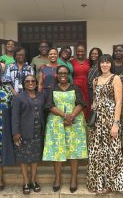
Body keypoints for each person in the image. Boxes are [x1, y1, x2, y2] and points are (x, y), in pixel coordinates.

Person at [42, 65, 88, 193]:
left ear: (69, 75)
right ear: (57, 75)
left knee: (74, 151)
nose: (63, 75)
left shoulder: (75, 88)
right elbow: (49, 105)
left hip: (75, 122)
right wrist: (65, 116)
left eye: (65, 73)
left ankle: (74, 178)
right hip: (56, 123)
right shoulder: (52, 88)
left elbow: (80, 103)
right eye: (60, 73)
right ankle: (57, 178)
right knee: (58, 150)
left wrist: (71, 116)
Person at [87, 54, 123, 194]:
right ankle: (97, 182)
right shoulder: (95, 80)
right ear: (99, 65)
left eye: (107, 62)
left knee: (111, 151)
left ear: (111, 64)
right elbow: (95, 101)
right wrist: (94, 109)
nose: (104, 65)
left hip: (110, 119)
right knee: (97, 151)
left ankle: (110, 184)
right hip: (98, 120)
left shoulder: (116, 78)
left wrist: (116, 123)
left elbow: (119, 102)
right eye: (102, 62)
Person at [12, 75, 45, 194]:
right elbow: (14, 116)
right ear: (23, 83)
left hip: (38, 131)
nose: (30, 83)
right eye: (27, 81)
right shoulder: (18, 97)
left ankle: (33, 180)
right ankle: (26, 182)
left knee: (35, 158)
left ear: (36, 83)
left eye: (33, 81)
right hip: (24, 132)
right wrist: (15, 132)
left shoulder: (41, 95)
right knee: (24, 158)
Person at [70, 44, 90, 119]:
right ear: (76, 52)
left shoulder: (89, 61)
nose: (80, 53)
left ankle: (86, 120)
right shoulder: (72, 62)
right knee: (77, 102)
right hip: (76, 86)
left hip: (86, 86)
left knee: (86, 102)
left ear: (85, 52)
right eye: (78, 51)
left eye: (82, 51)